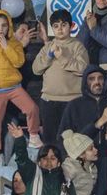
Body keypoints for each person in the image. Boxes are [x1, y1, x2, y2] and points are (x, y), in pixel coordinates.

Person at [0, 10, 42, 163]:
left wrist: (6, 47)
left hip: (13, 86)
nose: (1, 29)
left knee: (32, 108)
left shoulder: (14, 43)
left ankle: (34, 136)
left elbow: (18, 62)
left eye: (4, 25)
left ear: (9, 26)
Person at [32, 9, 89, 143]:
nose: (60, 29)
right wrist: (49, 56)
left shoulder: (77, 46)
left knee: (71, 141)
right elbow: (36, 69)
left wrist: (62, 57)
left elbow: (84, 69)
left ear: (71, 26)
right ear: (52, 28)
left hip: (72, 100)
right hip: (48, 101)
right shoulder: (48, 47)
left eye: (63, 25)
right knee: (50, 140)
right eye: (56, 26)